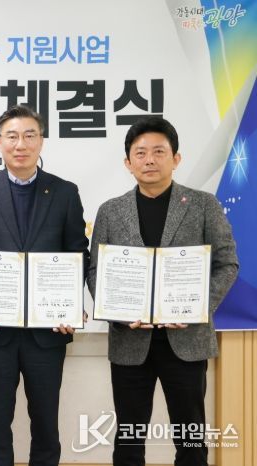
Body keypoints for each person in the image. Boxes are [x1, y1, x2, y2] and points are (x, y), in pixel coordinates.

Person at [87, 116, 238, 466]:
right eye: (140, 153)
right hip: (130, 340)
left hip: (186, 340)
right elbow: (96, 270)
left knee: (190, 439)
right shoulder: (110, 211)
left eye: (159, 151)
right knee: (129, 438)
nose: (149, 160)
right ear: (128, 163)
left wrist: (197, 307)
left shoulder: (203, 205)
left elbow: (227, 264)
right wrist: (117, 311)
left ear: (176, 158)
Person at [0, 105, 90, 466]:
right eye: (12, 136)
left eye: (30, 135)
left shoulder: (64, 192)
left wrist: (70, 302)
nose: (21, 144)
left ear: (41, 141)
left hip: (48, 332)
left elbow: (78, 253)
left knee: (45, 423)